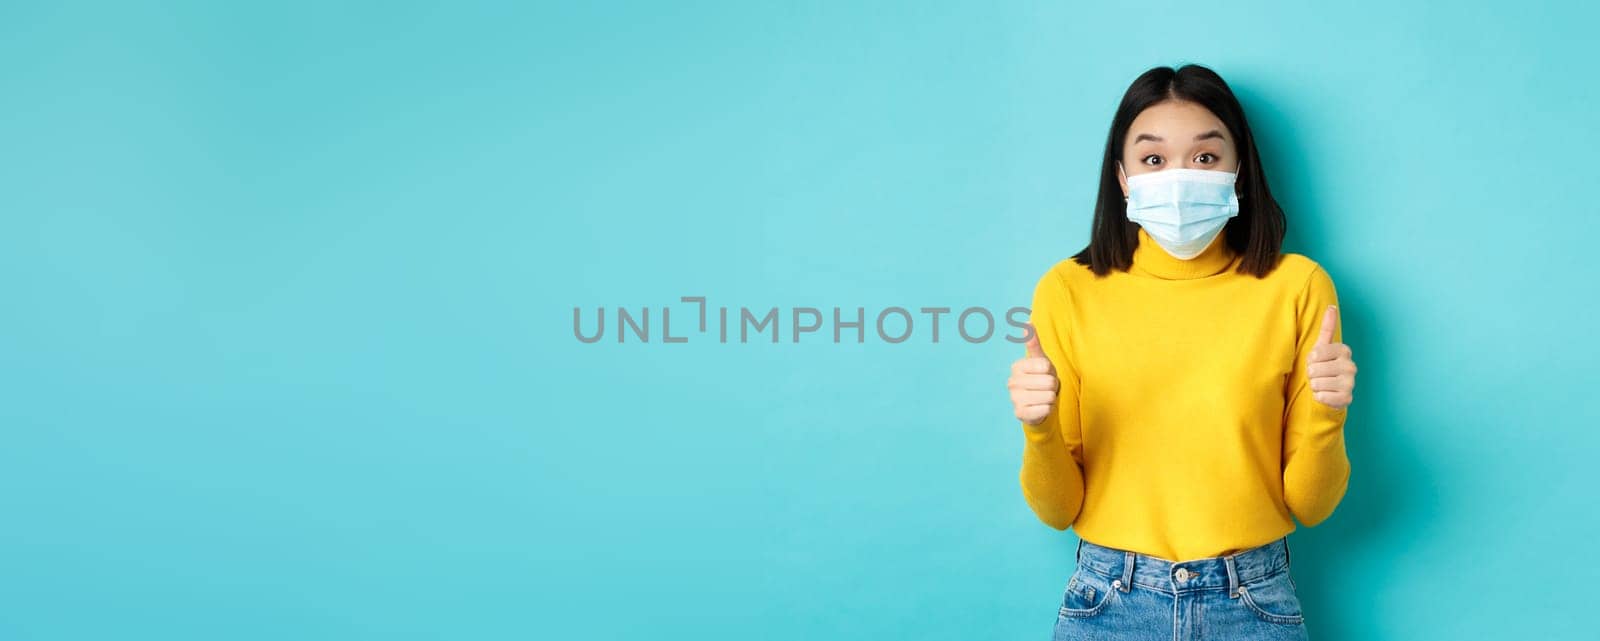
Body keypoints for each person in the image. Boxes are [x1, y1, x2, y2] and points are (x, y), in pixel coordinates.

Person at [1006, 64, 1359, 640]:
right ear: (1122, 178)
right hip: (1110, 597)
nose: (1178, 177)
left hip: (1252, 598)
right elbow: (1057, 510)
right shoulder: (1067, 289)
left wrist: (1328, 413)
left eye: (1204, 157)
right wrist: (1039, 430)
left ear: (1238, 171)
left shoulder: (1297, 287)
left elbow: (1312, 507)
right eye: (1153, 159)